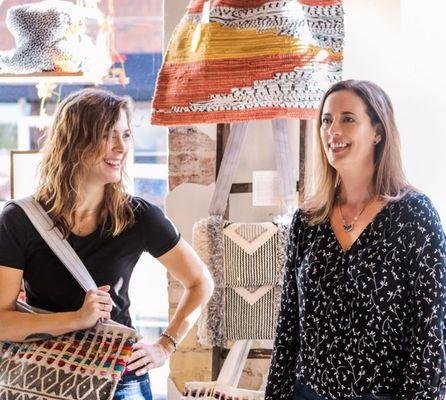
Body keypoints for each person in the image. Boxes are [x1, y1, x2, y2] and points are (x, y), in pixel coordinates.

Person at [0, 88, 214, 400]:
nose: (121, 147)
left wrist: (165, 345)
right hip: (43, 374)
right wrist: (76, 319)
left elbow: (200, 282)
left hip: (121, 378)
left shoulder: (139, 216)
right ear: (73, 141)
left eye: (126, 135)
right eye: (108, 135)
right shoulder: (19, 220)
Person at [265, 80, 446, 400]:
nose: (332, 130)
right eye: (326, 120)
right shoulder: (307, 220)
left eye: (348, 118)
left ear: (378, 131)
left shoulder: (414, 214)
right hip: (307, 393)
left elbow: (431, 333)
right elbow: (288, 328)